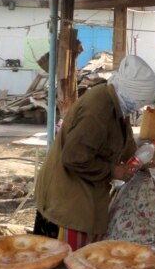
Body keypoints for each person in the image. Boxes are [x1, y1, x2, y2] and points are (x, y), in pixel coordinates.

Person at [33, 74, 140, 250]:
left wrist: (137, 158)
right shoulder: (97, 110)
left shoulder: (116, 102)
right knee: (60, 266)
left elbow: (125, 138)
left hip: (84, 193)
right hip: (67, 201)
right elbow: (73, 157)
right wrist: (113, 171)